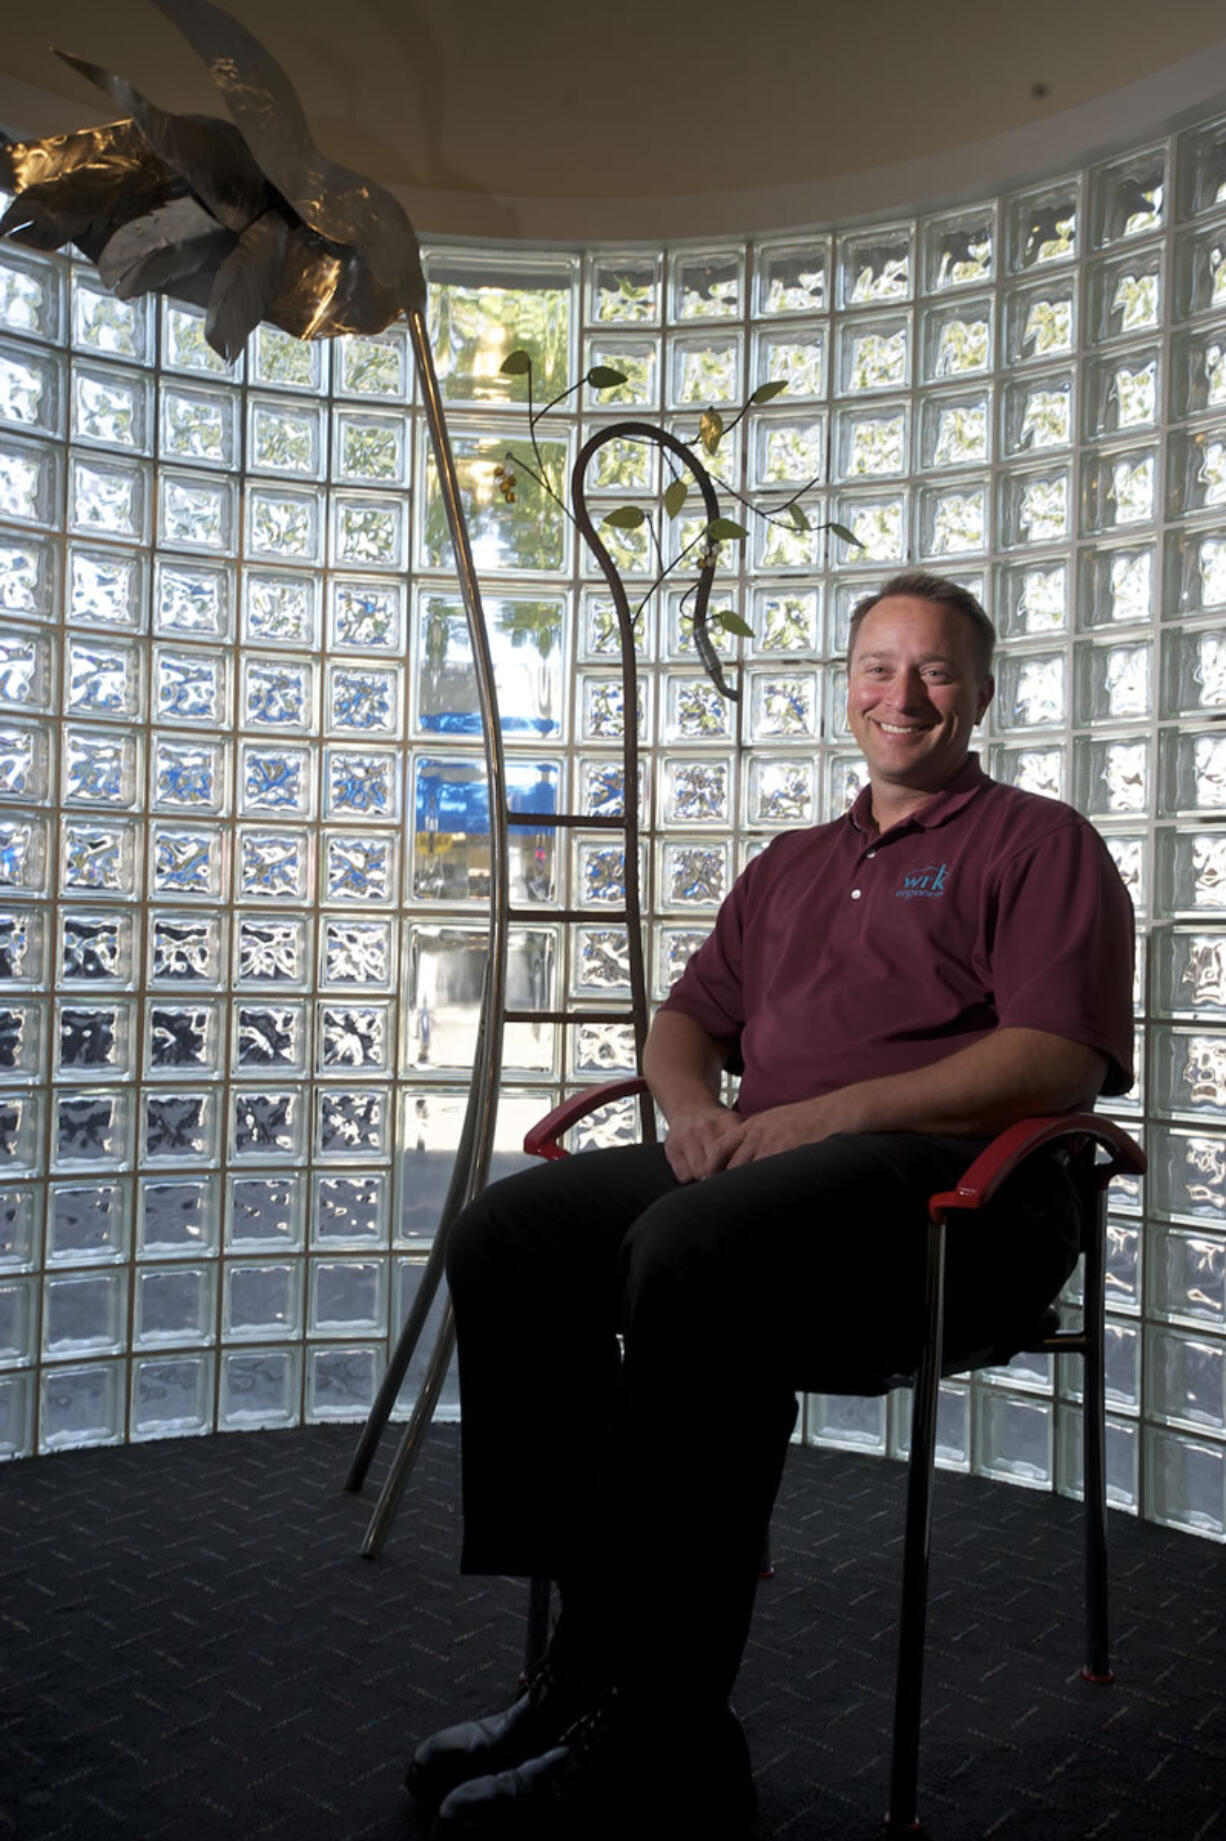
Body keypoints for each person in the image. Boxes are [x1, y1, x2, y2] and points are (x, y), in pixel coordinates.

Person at [407, 571, 1135, 1839]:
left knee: (693, 1252)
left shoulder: (1036, 842)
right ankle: (589, 1674)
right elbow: (685, 1021)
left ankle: (662, 1731)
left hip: (955, 1199)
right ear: (844, 684)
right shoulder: (795, 862)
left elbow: (1052, 1062)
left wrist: (818, 1115)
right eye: (876, 666)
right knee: (508, 1235)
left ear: (981, 693)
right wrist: (693, 1108)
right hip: (766, 1171)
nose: (900, 694)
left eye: (935, 670)